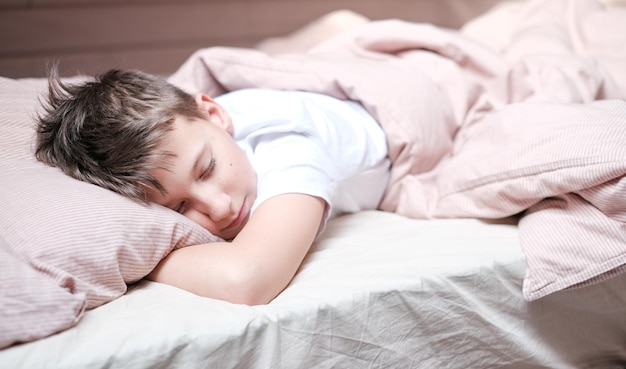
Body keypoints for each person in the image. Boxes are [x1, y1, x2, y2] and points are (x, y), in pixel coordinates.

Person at [35, 68, 390, 305]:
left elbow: (246, 280)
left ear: (214, 114)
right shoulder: (190, 133)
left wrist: (146, 261)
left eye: (208, 169)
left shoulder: (291, 150)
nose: (219, 209)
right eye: (179, 208)